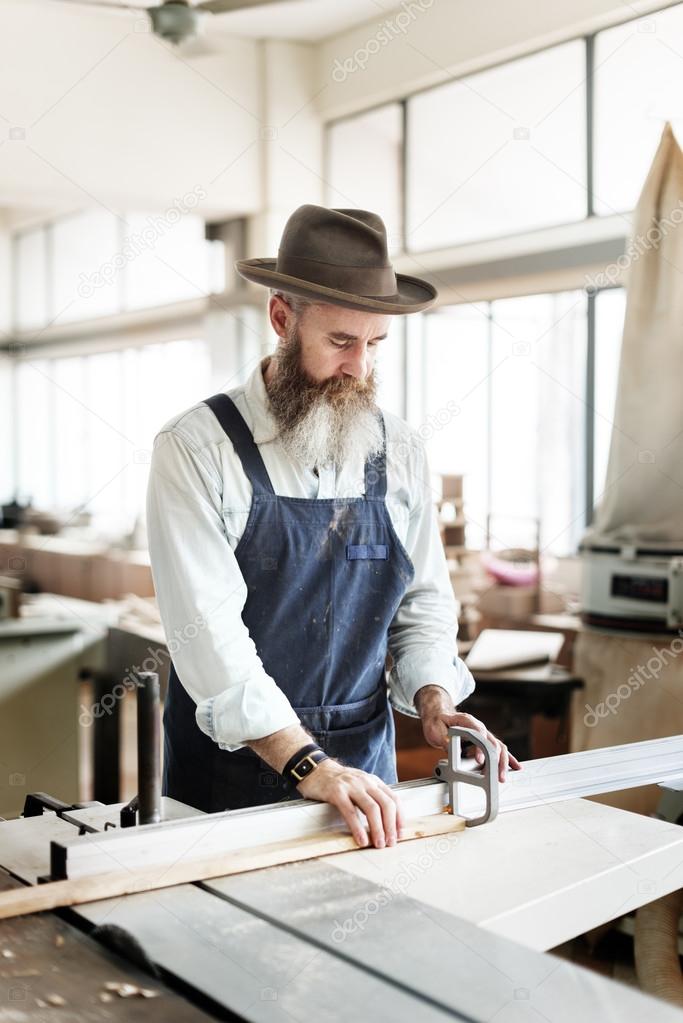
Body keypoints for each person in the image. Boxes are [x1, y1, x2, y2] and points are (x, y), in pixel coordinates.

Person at [146, 204, 521, 849]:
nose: (360, 370)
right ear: (281, 319)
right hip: (230, 778)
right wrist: (307, 764)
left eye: (374, 344)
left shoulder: (398, 450)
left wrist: (434, 699)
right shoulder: (197, 449)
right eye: (341, 343)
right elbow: (207, 635)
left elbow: (423, 602)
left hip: (361, 779)